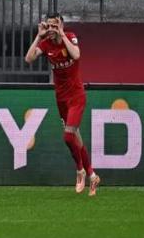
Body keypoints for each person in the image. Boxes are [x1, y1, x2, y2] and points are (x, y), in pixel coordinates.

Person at [25, 13, 101, 196]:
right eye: (49, 26)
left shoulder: (70, 37)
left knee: (68, 136)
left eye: (55, 26)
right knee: (76, 138)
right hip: (61, 98)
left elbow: (76, 54)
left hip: (76, 96)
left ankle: (80, 171)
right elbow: (29, 58)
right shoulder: (46, 44)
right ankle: (92, 175)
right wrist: (38, 36)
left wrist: (62, 34)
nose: (51, 29)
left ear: (61, 26)